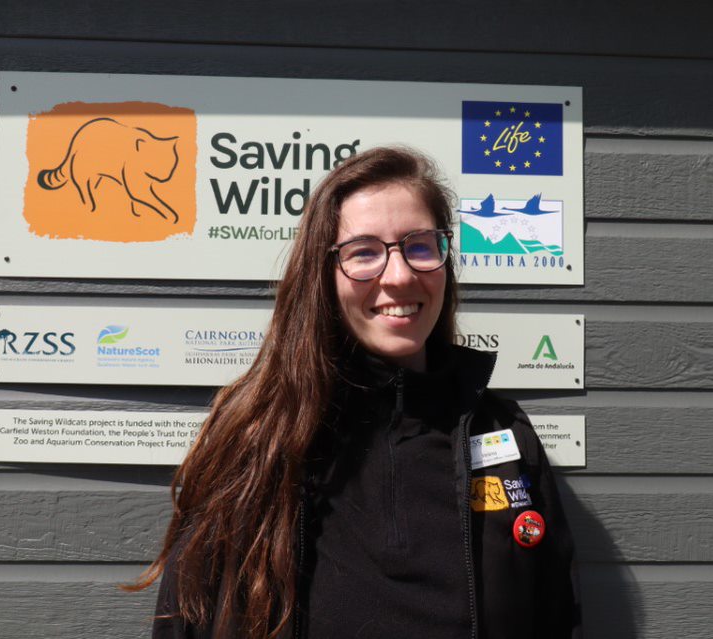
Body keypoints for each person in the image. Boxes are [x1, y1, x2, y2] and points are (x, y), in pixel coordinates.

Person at [133, 147, 580, 638]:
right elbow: (186, 624)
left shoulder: (503, 436)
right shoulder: (257, 440)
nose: (400, 275)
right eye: (364, 252)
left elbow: (556, 617)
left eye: (421, 245)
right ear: (323, 277)